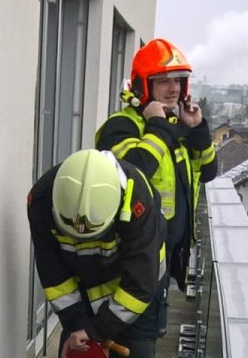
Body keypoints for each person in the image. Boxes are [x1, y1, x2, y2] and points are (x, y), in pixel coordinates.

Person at [95, 38, 217, 294]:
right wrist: (158, 126)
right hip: (134, 258)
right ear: (144, 85)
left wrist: (197, 129)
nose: (174, 89)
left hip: (167, 256)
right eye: (163, 81)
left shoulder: (174, 126)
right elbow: (134, 172)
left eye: (178, 81)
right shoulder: (121, 127)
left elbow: (208, 172)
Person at [27, 149, 168, 358]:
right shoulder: (41, 201)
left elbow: (141, 280)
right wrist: (77, 325)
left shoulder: (136, 198)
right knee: (76, 348)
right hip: (83, 294)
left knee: (138, 350)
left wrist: (98, 330)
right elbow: (55, 276)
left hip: (137, 292)